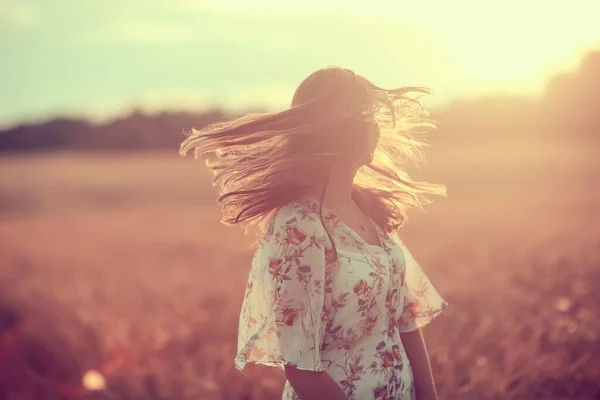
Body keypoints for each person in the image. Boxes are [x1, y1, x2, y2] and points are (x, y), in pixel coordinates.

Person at [180, 66, 448, 400]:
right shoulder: (300, 226)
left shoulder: (368, 209)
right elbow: (302, 370)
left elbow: (405, 319)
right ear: (341, 128)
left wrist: (428, 396)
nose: (377, 126)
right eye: (368, 114)